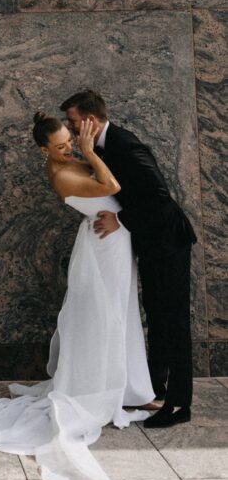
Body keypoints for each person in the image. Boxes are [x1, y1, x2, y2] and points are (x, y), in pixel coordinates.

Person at [0, 111, 154, 480]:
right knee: (106, 319)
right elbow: (111, 183)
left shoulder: (66, 160)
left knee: (120, 316)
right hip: (104, 248)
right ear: (43, 150)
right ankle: (103, 387)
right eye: (60, 146)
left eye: (69, 141)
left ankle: (129, 387)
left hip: (111, 240)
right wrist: (87, 151)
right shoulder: (62, 173)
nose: (68, 149)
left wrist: (83, 151)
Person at [60, 90, 196, 429]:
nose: (71, 130)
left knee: (173, 321)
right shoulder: (103, 148)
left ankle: (180, 405)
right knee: (157, 316)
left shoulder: (124, 144)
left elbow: (160, 196)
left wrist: (120, 222)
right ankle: (156, 389)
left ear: (90, 121)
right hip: (150, 245)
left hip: (169, 243)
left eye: (74, 123)